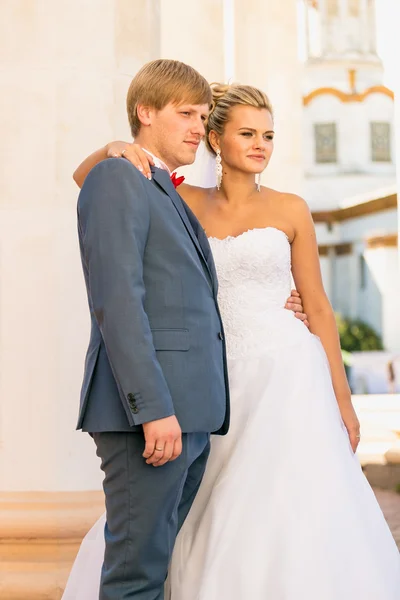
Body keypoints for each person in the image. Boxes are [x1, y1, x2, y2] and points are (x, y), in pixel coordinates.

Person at [65, 79, 400, 599]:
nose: (261, 144)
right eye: (247, 133)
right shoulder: (180, 197)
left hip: (284, 375)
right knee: (186, 509)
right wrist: (114, 148)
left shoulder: (292, 208)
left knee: (279, 504)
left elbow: (317, 306)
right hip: (206, 376)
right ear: (215, 140)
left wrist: (343, 399)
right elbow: (90, 180)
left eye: (269, 135)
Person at [67, 59, 306, 600]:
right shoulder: (118, 175)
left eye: (203, 115)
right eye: (186, 114)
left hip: (192, 413)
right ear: (144, 112)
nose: (199, 126)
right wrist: (152, 409)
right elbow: (118, 302)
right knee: (135, 578)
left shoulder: (164, 187)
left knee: (159, 570)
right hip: (151, 416)